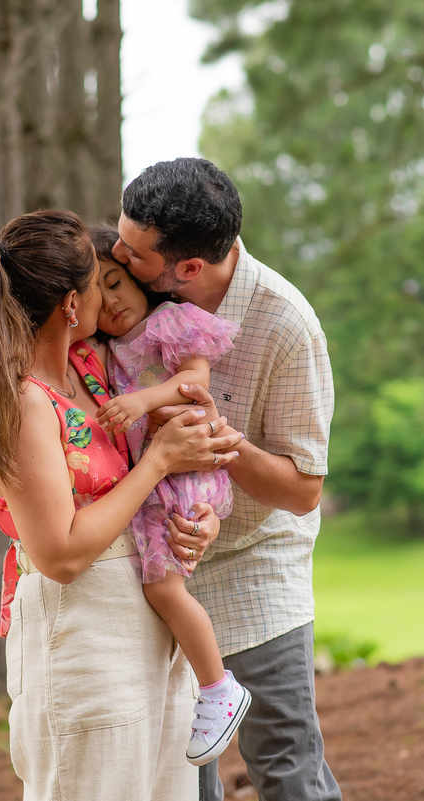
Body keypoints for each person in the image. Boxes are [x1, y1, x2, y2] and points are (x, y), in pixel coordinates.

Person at [0, 209, 243, 800]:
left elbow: (149, 465)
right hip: (84, 636)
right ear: (70, 306)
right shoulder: (24, 402)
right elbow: (61, 554)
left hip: (147, 624)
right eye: (96, 283)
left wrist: (195, 518)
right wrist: (159, 463)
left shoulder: (91, 371)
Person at [111, 158, 340, 801]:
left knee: (285, 763)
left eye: (133, 251)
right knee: (183, 776)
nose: (116, 255)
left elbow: (301, 492)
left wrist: (215, 441)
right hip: (158, 562)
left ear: (188, 268)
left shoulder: (286, 325)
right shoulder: (135, 292)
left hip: (254, 559)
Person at [87, 224, 252, 766]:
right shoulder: (107, 352)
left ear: (140, 279)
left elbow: (195, 382)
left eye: (116, 281)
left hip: (184, 473)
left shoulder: (169, 321)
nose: (110, 301)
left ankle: (218, 688)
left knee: (163, 589)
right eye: (95, 292)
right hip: (159, 477)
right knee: (160, 588)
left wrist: (142, 403)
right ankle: (202, 687)